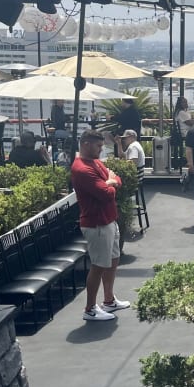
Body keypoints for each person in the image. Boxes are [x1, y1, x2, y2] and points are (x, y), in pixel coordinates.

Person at [71, 130, 130, 321]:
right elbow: (106, 193)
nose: (101, 149)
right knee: (98, 265)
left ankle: (109, 300)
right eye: (98, 146)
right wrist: (110, 182)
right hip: (96, 224)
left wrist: (110, 182)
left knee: (113, 259)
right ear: (86, 144)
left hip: (108, 220)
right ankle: (89, 309)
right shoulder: (82, 169)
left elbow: (116, 179)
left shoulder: (94, 162)